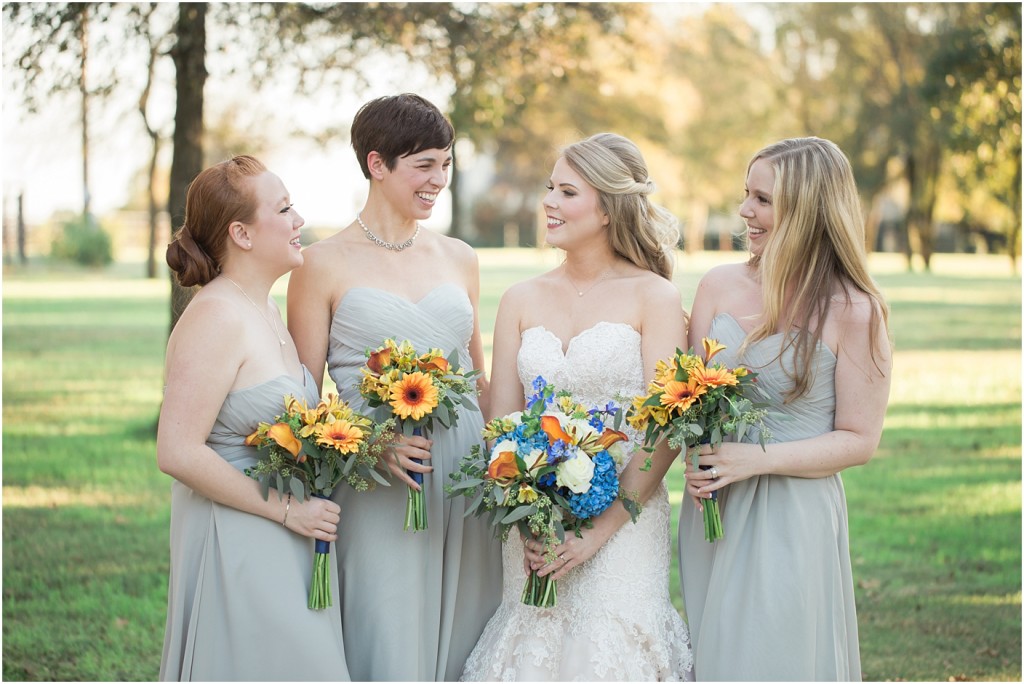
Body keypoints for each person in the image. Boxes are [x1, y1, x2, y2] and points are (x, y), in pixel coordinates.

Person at [460, 133, 694, 681]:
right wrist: (526, 518)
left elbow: (665, 431)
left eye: (567, 192)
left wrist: (597, 532)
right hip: (534, 531)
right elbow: (503, 426)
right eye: (549, 188)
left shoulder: (653, 297)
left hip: (627, 524)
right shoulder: (520, 298)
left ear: (609, 208)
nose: (548, 202)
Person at [286, 93, 502, 682]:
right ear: (377, 164)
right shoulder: (319, 265)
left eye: (446, 164)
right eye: (424, 165)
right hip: (380, 478)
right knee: (387, 629)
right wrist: (370, 448)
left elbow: (478, 381)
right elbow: (301, 400)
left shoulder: (460, 257)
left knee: (469, 629)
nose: (439, 180)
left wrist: (519, 463)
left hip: (464, 476)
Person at [679, 136, 892, 681]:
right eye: (745, 195)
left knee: (775, 659)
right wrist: (693, 452)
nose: (745, 211)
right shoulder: (718, 285)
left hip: (793, 513)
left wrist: (754, 460)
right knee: (715, 654)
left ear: (808, 210)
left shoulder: (855, 310)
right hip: (713, 509)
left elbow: (860, 439)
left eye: (763, 199)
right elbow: (688, 397)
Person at [158, 156, 350, 681]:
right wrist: (288, 511)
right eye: (284, 208)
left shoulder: (262, 308)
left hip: (284, 532)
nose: (298, 220)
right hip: (240, 537)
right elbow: (176, 450)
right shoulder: (216, 316)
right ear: (241, 233)